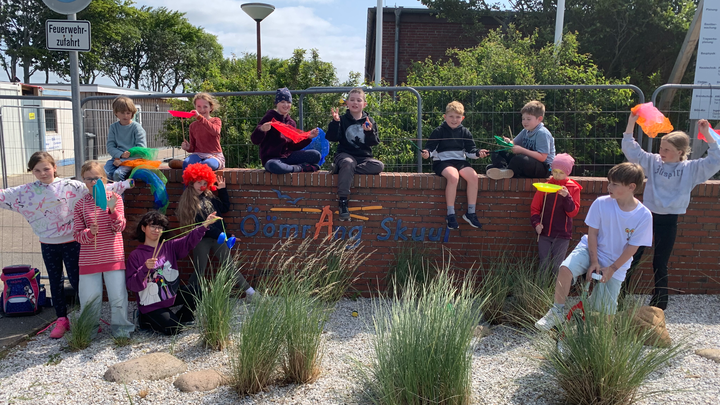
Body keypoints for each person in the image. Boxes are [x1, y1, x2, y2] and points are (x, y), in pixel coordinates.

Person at [0, 152, 132, 339]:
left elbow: (113, 214)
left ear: (54, 167)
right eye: (37, 170)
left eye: (46, 168)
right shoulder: (71, 201)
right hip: (57, 245)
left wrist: (124, 190)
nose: (43, 173)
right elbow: (7, 195)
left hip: (91, 249)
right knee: (63, 285)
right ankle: (69, 322)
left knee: (95, 288)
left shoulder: (83, 189)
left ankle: (105, 325)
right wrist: (89, 233)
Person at [535, 162, 652, 331]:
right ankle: (557, 311)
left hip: (617, 263)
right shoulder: (601, 203)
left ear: (631, 187)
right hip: (591, 249)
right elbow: (592, 234)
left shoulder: (644, 215)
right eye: (609, 182)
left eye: (614, 184)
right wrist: (594, 261)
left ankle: (587, 320)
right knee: (565, 269)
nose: (609, 187)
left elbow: (632, 248)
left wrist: (612, 269)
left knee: (606, 315)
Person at [622, 116, 720, 310]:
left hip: (669, 220)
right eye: (661, 147)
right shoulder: (654, 162)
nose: (661, 152)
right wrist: (632, 122)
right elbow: (631, 149)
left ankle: (659, 304)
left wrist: (707, 133)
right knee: (632, 257)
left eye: (667, 149)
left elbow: (715, 159)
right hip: (647, 217)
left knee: (660, 262)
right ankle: (619, 296)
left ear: (680, 152)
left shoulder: (691, 168)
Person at [126, 210, 220, 335]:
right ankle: (144, 319)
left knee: (198, 291)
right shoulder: (135, 255)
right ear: (143, 228)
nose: (156, 230)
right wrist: (144, 269)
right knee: (173, 330)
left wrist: (205, 225)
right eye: (153, 226)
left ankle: (182, 318)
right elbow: (132, 285)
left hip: (170, 295)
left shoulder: (169, 246)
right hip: (151, 304)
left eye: (160, 227)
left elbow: (188, 240)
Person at [73, 161, 135, 339]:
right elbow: (77, 235)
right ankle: (88, 332)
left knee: (118, 296)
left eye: (97, 178)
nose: (93, 182)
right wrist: (89, 233)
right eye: (88, 179)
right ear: (83, 180)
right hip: (89, 259)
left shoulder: (115, 198)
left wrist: (112, 210)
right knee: (89, 299)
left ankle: (121, 330)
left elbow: (120, 227)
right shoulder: (80, 204)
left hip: (113, 255)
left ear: (104, 178)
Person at [176, 163, 255, 298]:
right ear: (191, 182)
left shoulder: (209, 196)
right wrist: (226, 235)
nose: (202, 186)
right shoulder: (189, 203)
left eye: (204, 183)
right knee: (199, 269)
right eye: (199, 182)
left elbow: (224, 208)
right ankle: (187, 296)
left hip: (218, 237)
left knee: (229, 266)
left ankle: (251, 293)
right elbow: (204, 227)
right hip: (201, 239)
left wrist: (222, 190)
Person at [421, 101, 488, 229]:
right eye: (451, 116)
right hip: (442, 162)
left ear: (462, 118)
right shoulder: (438, 131)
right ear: (445, 117)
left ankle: (471, 213)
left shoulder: (465, 132)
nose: (454, 120)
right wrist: (426, 154)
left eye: (457, 117)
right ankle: (450, 214)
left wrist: (479, 153)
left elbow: (471, 151)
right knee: (453, 176)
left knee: (474, 177)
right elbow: (430, 149)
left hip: (460, 161)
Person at [326, 88, 384, 220]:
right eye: (352, 100)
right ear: (347, 103)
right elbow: (332, 137)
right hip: (345, 155)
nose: (355, 102)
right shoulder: (341, 119)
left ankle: (343, 170)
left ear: (364, 104)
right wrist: (335, 123)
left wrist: (369, 132)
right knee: (348, 163)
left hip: (363, 158)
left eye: (359, 100)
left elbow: (374, 142)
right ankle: (343, 202)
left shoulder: (369, 120)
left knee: (378, 166)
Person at [530, 153, 582, 273]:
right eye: (555, 171)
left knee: (557, 265)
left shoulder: (573, 188)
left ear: (567, 173)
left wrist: (567, 197)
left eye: (561, 172)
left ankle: (556, 285)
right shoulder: (545, 187)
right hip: (544, 233)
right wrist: (536, 224)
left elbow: (573, 213)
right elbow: (535, 208)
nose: (557, 175)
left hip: (562, 235)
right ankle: (541, 285)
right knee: (544, 264)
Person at [251, 87, 321, 173]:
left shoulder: (291, 123)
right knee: (273, 165)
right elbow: (254, 140)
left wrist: (308, 137)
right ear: (277, 103)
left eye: (288, 102)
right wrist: (262, 129)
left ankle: (290, 168)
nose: (286, 105)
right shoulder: (269, 117)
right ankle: (300, 168)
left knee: (316, 155)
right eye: (282, 102)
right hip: (273, 159)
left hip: (288, 157)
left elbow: (293, 146)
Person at [487, 100, 555, 179]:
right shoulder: (525, 131)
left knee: (519, 159)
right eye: (523, 119)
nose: (525, 122)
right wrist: (508, 142)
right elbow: (514, 143)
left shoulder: (542, 133)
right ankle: (503, 170)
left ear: (539, 119)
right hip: (529, 162)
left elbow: (542, 157)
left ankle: (505, 170)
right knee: (497, 153)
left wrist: (522, 150)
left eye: (528, 119)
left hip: (544, 168)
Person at [105, 96, 147, 181]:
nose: (125, 115)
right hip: (117, 158)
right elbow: (110, 146)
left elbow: (142, 148)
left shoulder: (137, 127)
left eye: (128, 113)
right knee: (104, 172)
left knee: (118, 174)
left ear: (132, 113)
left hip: (133, 159)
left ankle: (121, 190)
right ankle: (108, 190)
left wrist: (123, 160)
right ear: (116, 113)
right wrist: (119, 156)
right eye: (122, 113)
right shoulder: (113, 127)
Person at [182, 93, 225, 171]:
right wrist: (188, 148)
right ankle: (188, 179)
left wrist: (200, 117)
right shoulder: (193, 126)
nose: (202, 110)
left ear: (211, 108)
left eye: (205, 107)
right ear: (195, 107)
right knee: (186, 163)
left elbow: (215, 131)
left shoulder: (216, 120)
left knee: (206, 164)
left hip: (214, 155)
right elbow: (193, 147)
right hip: (198, 155)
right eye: (199, 106)